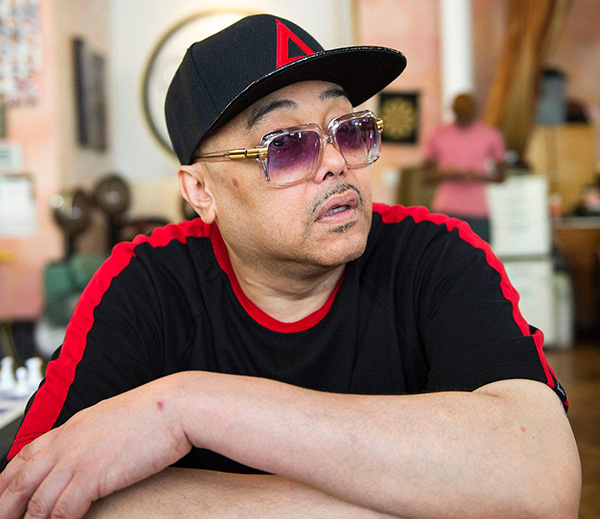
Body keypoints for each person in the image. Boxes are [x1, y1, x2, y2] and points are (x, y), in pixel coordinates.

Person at [0, 14, 580, 518]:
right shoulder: (147, 282)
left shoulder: (434, 256)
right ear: (201, 192)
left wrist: (188, 406)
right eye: (287, 144)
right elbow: (34, 495)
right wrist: (423, 497)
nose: (336, 164)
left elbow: (542, 481)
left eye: (348, 129)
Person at [423, 93, 506, 242]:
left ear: (474, 112)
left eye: (467, 114)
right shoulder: (439, 134)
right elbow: (426, 176)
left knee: (480, 257)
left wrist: (477, 176)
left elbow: (501, 176)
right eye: (460, 114)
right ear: (453, 111)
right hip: (445, 208)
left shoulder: (490, 135)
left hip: (477, 210)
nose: (463, 118)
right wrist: (447, 174)